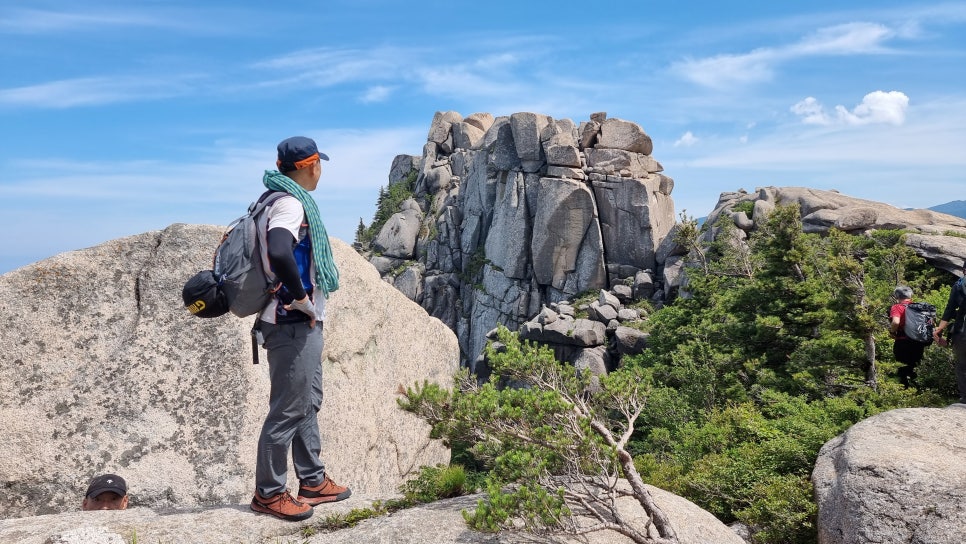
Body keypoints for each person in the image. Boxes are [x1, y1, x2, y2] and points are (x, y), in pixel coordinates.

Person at [249, 136, 350, 522]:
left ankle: (312, 480)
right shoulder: (290, 204)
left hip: (295, 322)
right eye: (319, 164)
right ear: (310, 166)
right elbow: (279, 251)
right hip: (291, 323)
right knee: (288, 410)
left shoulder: (272, 198)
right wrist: (301, 299)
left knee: (307, 401)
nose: (320, 170)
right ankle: (269, 493)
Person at [933, 265, 966, 404]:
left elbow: (949, 310)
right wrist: (939, 330)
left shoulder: (959, 286)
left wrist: (939, 330)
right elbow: (949, 310)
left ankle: (965, 397)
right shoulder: (958, 286)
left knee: (962, 365)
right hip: (961, 331)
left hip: (962, 331)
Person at [889, 285, 925, 387]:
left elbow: (896, 322)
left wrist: (892, 332)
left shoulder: (897, 307)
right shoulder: (919, 307)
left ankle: (905, 393)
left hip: (903, 342)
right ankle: (920, 392)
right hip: (918, 343)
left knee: (902, 368)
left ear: (897, 296)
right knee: (916, 368)